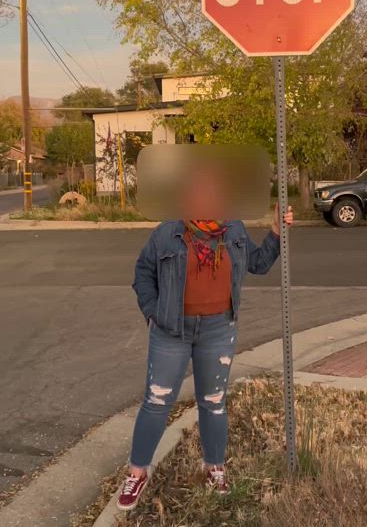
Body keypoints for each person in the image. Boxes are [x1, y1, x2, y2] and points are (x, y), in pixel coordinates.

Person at [117, 202, 293, 511]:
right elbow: (142, 273)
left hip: (217, 330)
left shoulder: (234, 229)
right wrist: (153, 314)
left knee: (213, 403)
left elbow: (259, 263)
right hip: (171, 330)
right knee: (157, 401)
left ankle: (214, 467)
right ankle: (137, 471)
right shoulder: (168, 232)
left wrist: (277, 232)